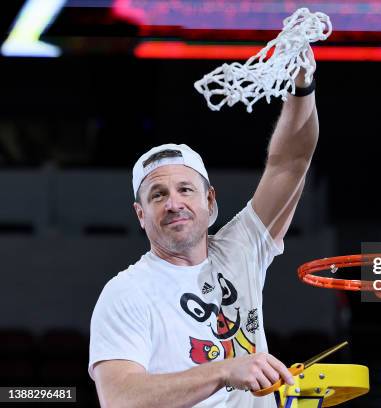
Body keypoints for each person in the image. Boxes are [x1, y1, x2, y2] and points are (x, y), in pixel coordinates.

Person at [88, 50, 319, 408]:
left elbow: (291, 162)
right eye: (158, 195)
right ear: (140, 215)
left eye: (185, 189)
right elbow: (119, 399)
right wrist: (224, 371)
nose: (173, 203)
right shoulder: (125, 293)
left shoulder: (240, 249)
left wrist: (301, 86)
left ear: (210, 201)